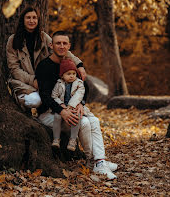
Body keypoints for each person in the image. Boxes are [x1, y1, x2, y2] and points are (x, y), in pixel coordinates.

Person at [36, 31, 118, 180]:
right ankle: (94, 161)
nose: (61, 46)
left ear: (69, 46)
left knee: (94, 121)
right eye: (58, 43)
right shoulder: (44, 66)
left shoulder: (70, 64)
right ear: (51, 45)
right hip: (49, 114)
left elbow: (83, 87)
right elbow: (45, 96)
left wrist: (81, 103)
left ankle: (100, 161)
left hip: (70, 110)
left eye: (64, 43)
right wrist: (62, 112)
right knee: (85, 122)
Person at [6, 6, 86, 109]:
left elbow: (61, 50)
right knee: (35, 101)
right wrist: (33, 80)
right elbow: (14, 69)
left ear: (38, 20)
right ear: (23, 20)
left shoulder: (43, 37)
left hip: (43, 81)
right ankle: (22, 106)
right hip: (24, 82)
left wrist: (79, 64)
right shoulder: (13, 40)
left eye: (34, 18)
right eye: (28, 18)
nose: (31, 20)